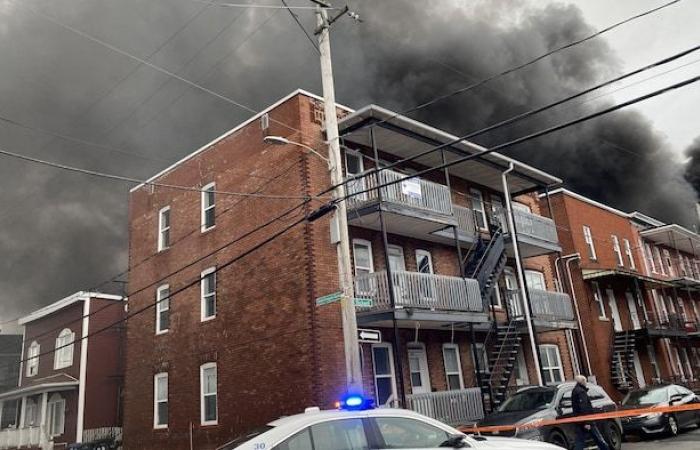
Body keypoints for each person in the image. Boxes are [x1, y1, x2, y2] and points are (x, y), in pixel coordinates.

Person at [571, 375, 609, 450]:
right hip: (587, 420)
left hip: (579, 420)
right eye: (585, 381)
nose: (586, 383)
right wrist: (587, 422)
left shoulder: (575, 391)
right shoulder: (581, 392)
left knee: (579, 441)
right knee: (599, 439)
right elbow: (584, 407)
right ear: (582, 382)